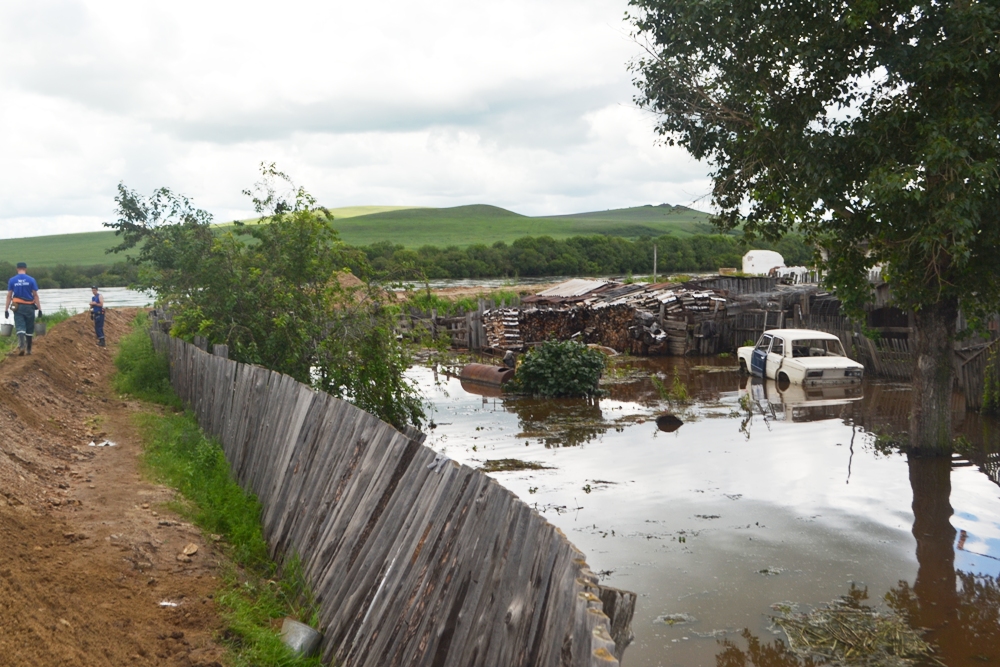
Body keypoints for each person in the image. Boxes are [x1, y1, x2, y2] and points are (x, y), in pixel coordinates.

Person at [4, 262, 42, 356]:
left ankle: (21, 347)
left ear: (17, 269)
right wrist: (40, 309)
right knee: (29, 327)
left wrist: (6, 309)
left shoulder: (12, 280)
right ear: (25, 268)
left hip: (17, 306)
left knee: (20, 326)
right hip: (29, 306)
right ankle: (29, 349)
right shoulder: (31, 280)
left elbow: (9, 296)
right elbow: (35, 295)